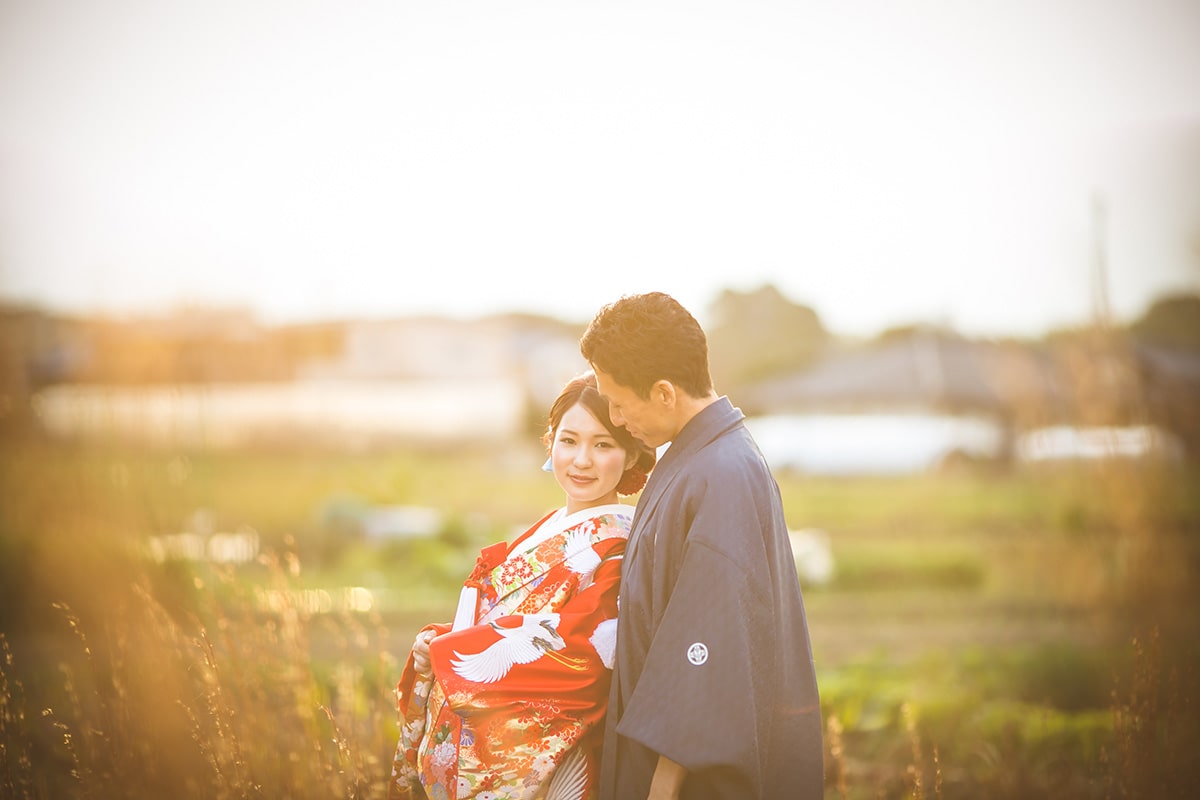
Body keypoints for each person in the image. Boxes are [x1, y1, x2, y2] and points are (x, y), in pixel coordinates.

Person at [579, 292, 823, 800]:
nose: (617, 420)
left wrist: (660, 790)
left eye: (620, 404)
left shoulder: (721, 474)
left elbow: (707, 655)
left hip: (684, 783)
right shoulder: (702, 458)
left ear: (665, 393)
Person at [388, 372, 657, 800]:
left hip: (553, 761)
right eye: (569, 440)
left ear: (630, 455)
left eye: (603, 444)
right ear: (550, 443)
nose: (582, 459)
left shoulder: (619, 545)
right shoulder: (549, 526)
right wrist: (442, 640)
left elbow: (584, 651)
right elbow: (505, 621)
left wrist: (450, 654)